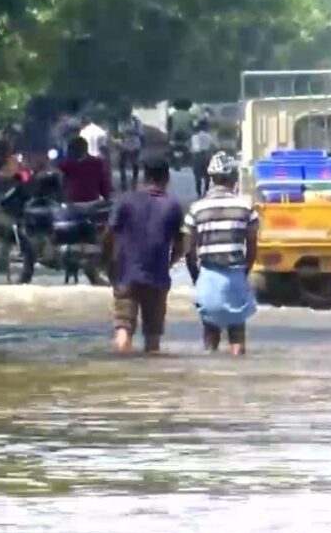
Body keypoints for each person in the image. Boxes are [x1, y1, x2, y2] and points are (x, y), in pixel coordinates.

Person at [103, 154, 185, 354]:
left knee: (123, 326)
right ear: (166, 178)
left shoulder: (125, 201)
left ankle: (124, 374)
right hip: (157, 278)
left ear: (143, 177)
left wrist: (108, 264)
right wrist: (169, 263)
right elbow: (181, 245)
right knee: (153, 337)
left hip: (126, 275)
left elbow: (108, 235)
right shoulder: (173, 206)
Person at [183, 152, 259, 356]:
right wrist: (243, 273)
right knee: (237, 335)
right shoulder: (245, 208)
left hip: (208, 276)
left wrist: (197, 278)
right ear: (234, 179)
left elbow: (189, 251)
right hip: (235, 275)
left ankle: (210, 380)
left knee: (210, 334)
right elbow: (252, 249)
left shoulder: (196, 209)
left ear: (211, 179)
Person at [57, 136, 111, 203]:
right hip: (76, 203)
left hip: (89, 203)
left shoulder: (96, 163)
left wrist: (107, 198)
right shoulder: (67, 164)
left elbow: (104, 184)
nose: (70, 155)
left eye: (72, 152)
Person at [115, 108, 145, 192]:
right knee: (122, 164)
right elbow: (120, 134)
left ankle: (133, 181)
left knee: (134, 164)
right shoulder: (123, 122)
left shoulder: (136, 122)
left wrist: (129, 133)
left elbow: (140, 133)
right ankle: (124, 181)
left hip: (134, 144)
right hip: (126, 145)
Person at [190, 118, 217, 196]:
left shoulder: (194, 137)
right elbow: (214, 146)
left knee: (197, 175)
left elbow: (192, 148)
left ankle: (198, 192)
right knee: (207, 175)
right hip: (206, 156)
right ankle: (206, 191)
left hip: (197, 156)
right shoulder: (209, 137)